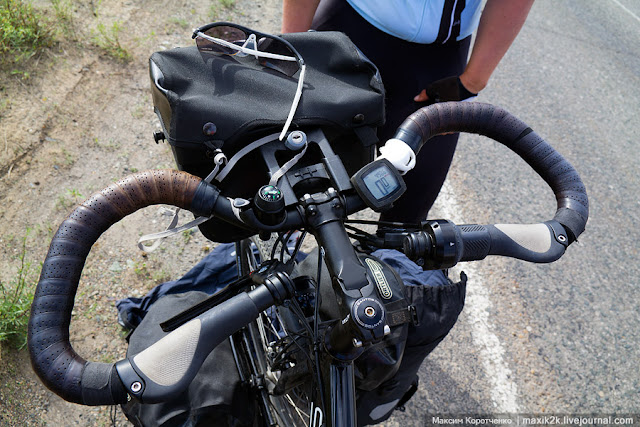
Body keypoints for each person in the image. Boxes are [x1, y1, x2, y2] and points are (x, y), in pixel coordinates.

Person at [282, 0, 535, 223]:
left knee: (410, 212)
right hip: (346, 29)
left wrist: (471, 82)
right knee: (295, 169)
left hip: (436, 63)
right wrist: (289, 49)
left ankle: (389, 258)